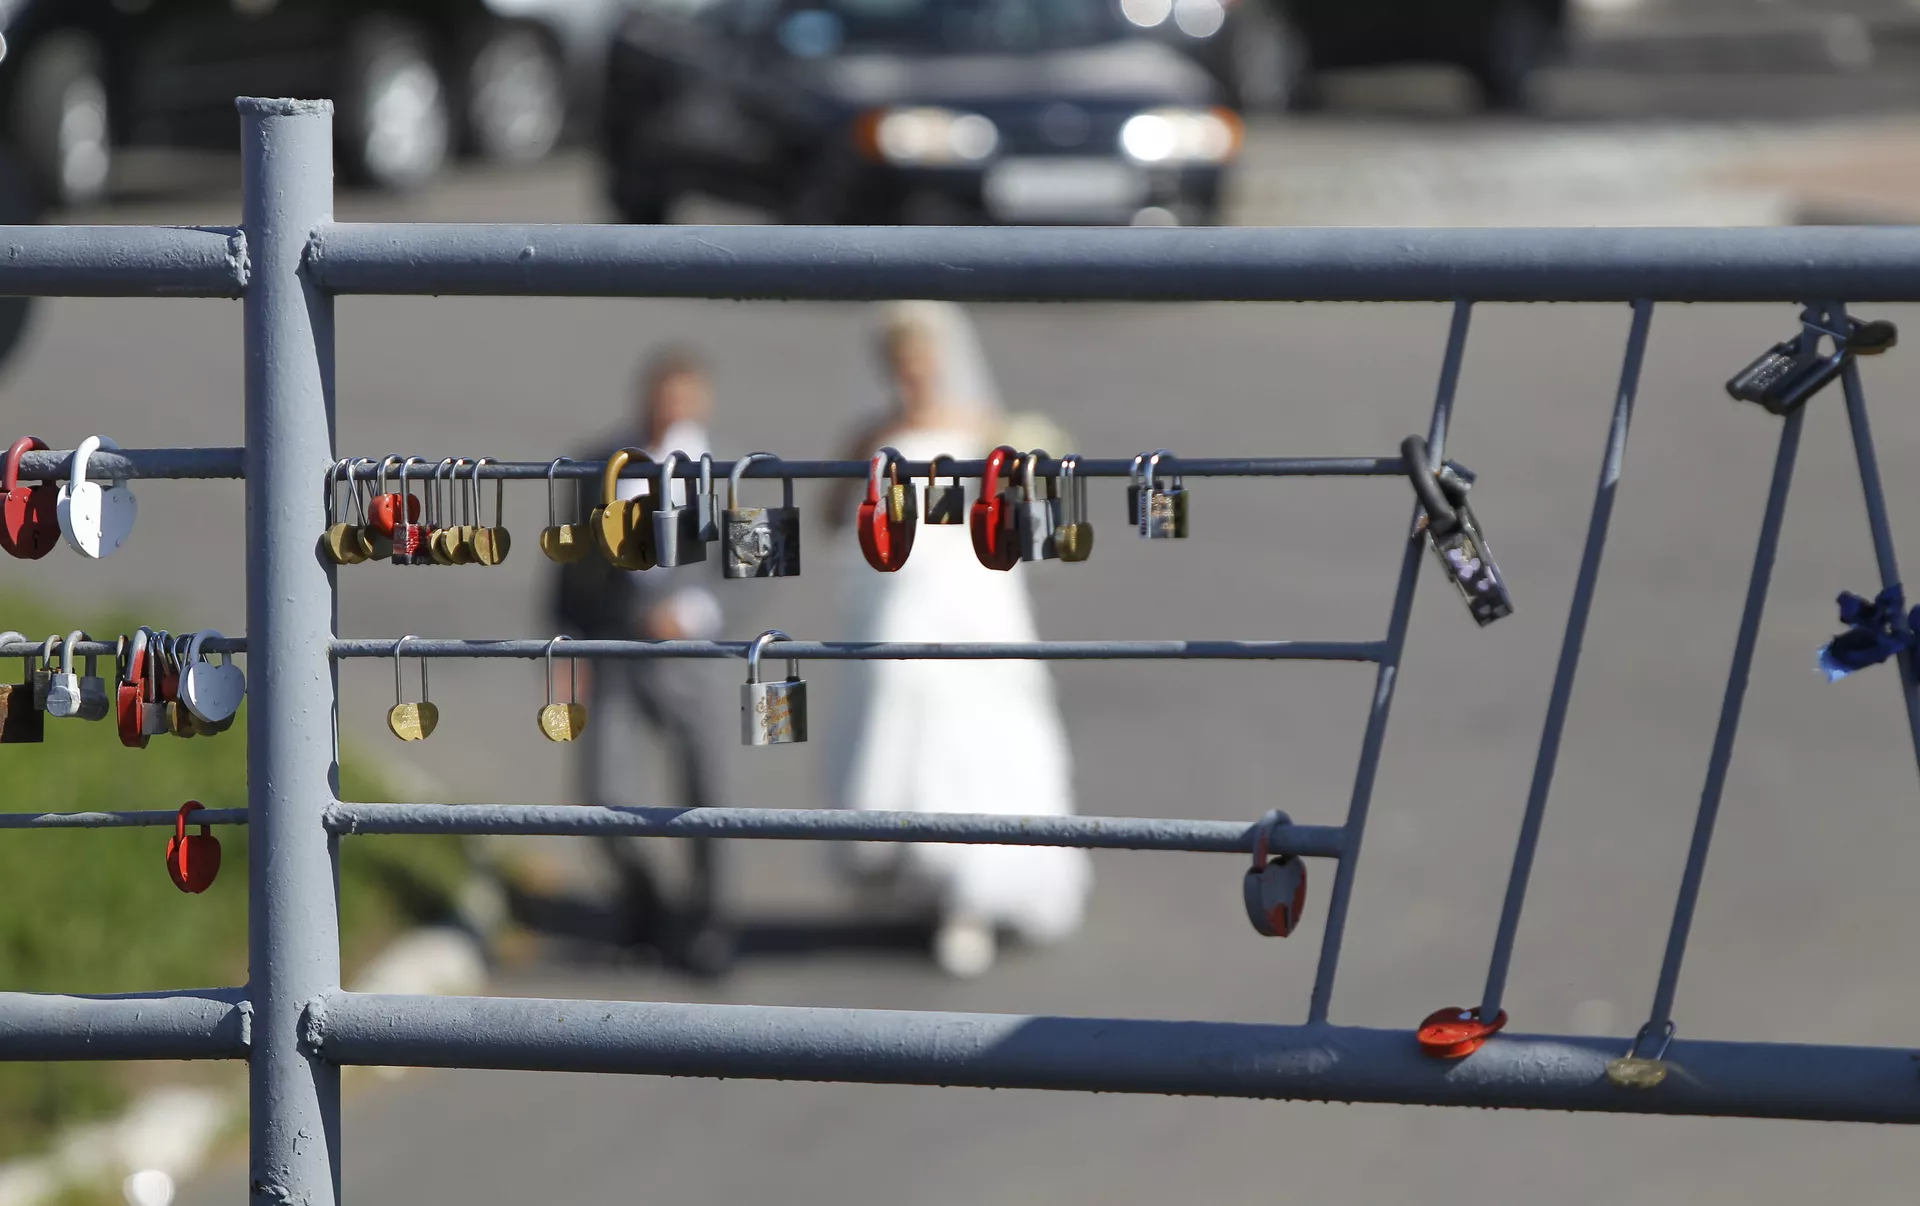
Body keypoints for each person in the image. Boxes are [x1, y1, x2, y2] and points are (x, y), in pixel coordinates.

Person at [829, 301, 1091, 978]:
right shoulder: (874, 432)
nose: (913, 376)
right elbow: (832, 514)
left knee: (982, 729)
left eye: (921, 363)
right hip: (902, 592)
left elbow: (1019, 510)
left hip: (972, 595)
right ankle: (919, 869)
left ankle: (974, 890)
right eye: (901, 365)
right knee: (904, 714)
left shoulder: (980, 426)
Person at [553, 345, 732, 975]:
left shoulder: (729, 468)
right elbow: (570, 566)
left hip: (693, 652)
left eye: (684, 399)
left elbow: (751, 565)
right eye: (662, 397)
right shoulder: (599, 460)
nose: (670, 411)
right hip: (616, 646)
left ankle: (708, 921)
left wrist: (695, 612)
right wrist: (567, 644)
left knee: (707, 793)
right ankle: (644, 907)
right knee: (604, 793)